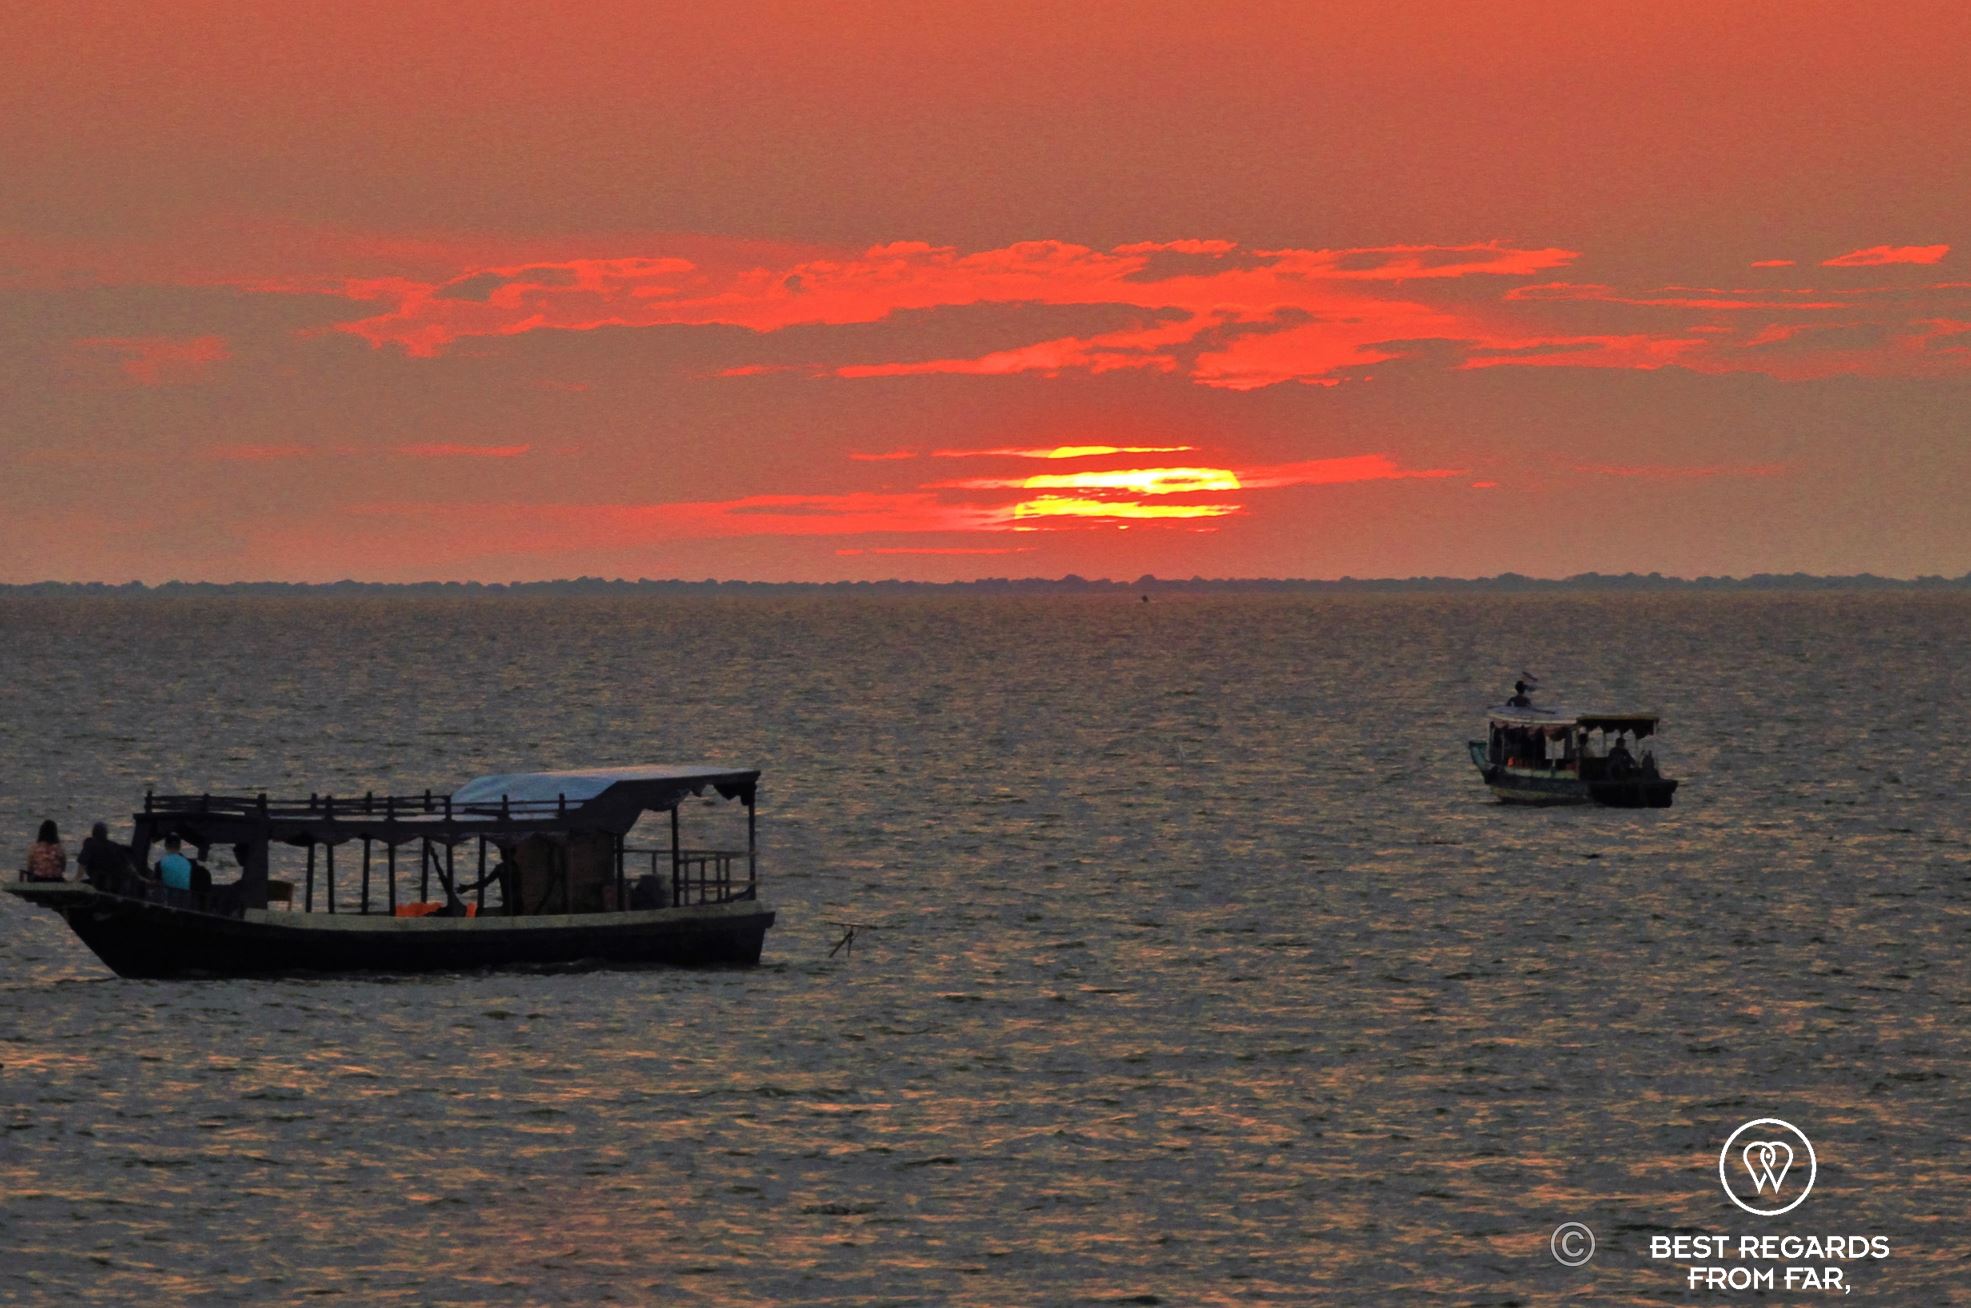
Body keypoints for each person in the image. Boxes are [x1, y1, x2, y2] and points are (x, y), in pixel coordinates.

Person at [77, 822, 129, 889]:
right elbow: (127, 864)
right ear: (106, 834)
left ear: (93, 833)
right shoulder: (115, 846)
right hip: (118, 884)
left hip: (101, 883)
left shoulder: (90, 844)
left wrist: (76, 880)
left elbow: (82, 863)